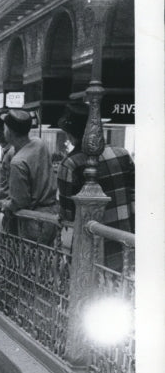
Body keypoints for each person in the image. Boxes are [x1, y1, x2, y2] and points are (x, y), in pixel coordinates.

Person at [55, 101, 135, 270]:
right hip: (126, 240)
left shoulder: (70, 164)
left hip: (90, 246)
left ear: (69, 134)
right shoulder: (121, 154)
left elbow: (68, 214)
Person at [0, 108, 57, 243]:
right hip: (50, 216)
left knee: (27, 261)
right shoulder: (39, 143)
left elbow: (19, 201)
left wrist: (3, 204)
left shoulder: (18, 163)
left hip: (33, 221)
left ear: (9, 132)